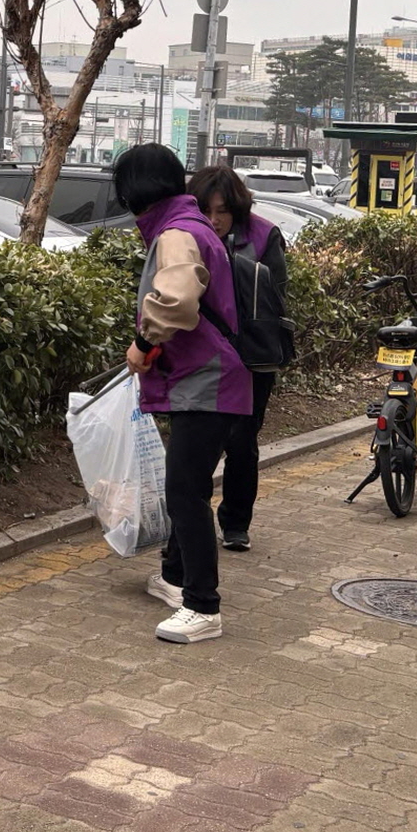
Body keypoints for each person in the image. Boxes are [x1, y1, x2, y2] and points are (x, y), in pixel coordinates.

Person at [113, 144, 252, 645]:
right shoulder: (190, 225)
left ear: (133, 191)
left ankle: (203, 606)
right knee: (187, 487)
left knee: (186, 495)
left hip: (207, 381)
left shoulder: (175, 234)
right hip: (209, 379)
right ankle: (175, 579)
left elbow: (176, 299)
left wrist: (143, 342)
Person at [189, 165, 288, 554]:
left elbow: (274, 298)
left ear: (238, 209)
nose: (214, 221)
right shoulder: (187, 235)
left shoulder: (264, 236)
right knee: (199, 445)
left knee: (242, 442)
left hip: (250, 357)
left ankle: (235, 523)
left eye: (223, 212)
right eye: (207, 211)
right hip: (202, 358)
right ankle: (187, 527)